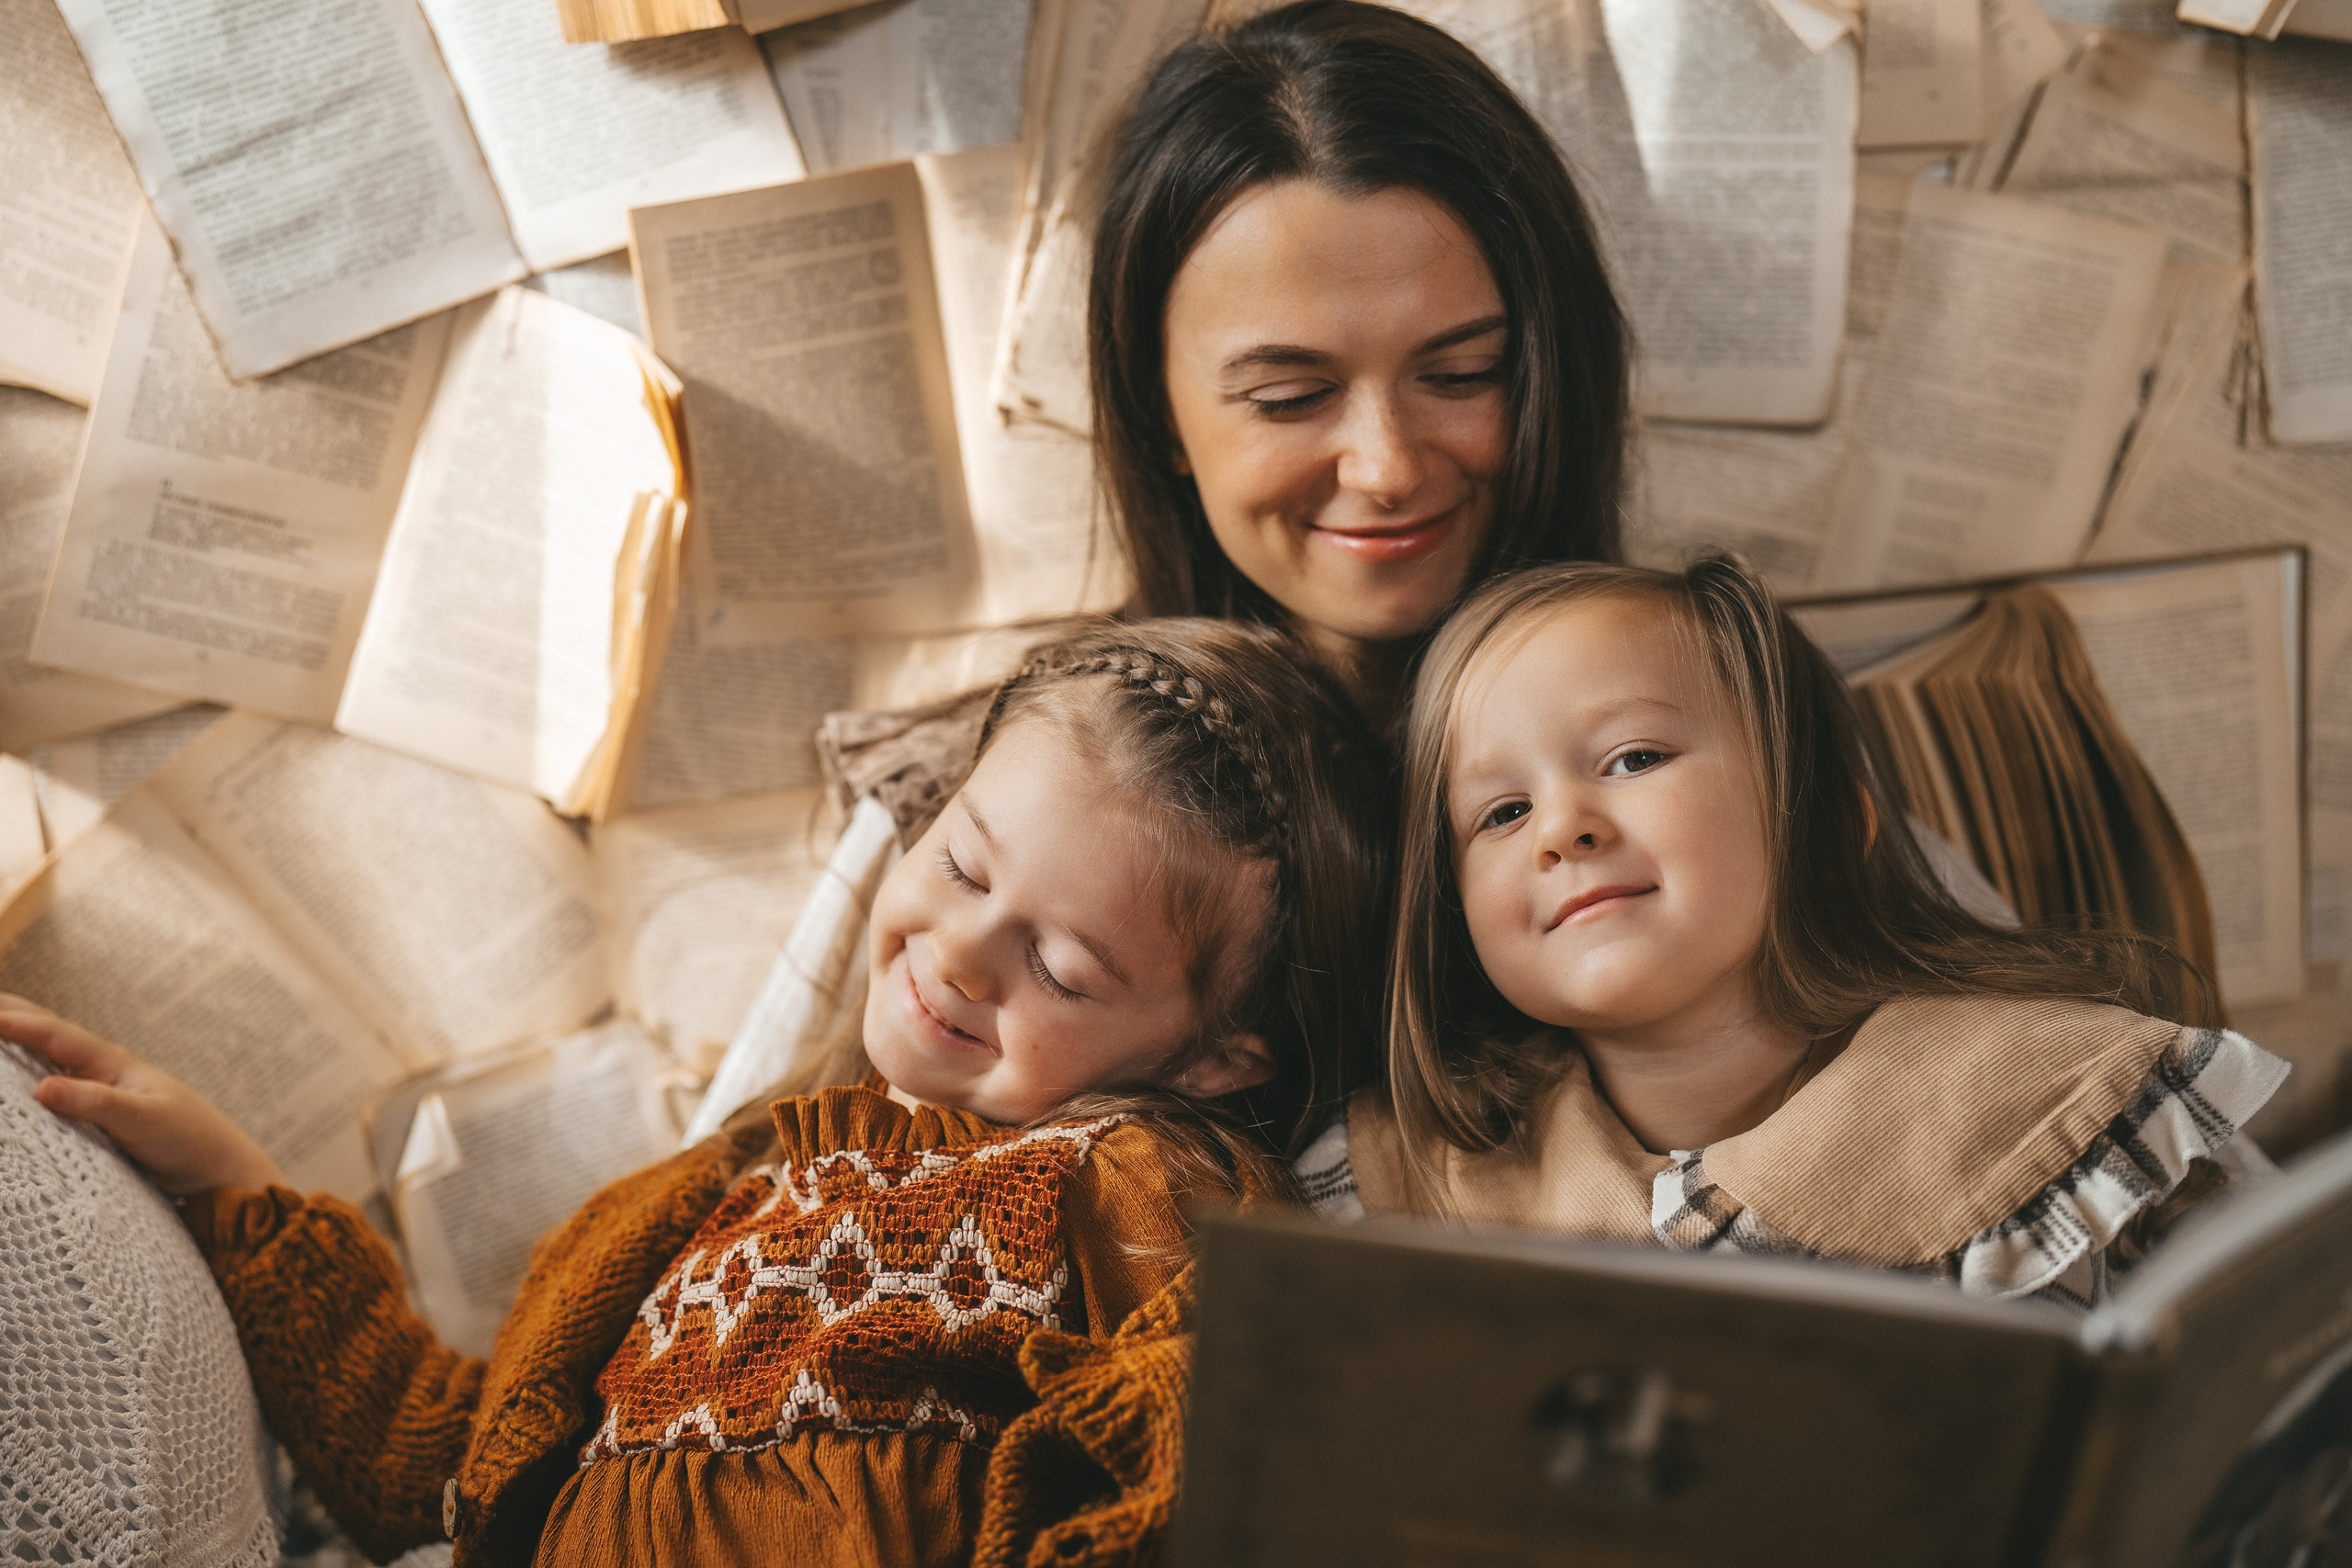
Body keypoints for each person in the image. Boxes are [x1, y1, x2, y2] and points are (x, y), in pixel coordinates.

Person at [16, 617, 1396, 1567]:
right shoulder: (711, 1191)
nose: (962, 953)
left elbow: (1192, 1448)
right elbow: (443, 1469)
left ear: (1219, 1053)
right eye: (965, 866)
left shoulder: (1122, 1179)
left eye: (1062, 963)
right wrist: (238, 1182)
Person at [1327, 558, 2288, 1307]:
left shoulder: (2080, 1105)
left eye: (1632, 757)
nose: (1560, 828)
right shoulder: (1406, 1183)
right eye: (1497, 813)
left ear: (1823, 820)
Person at [1091, 0, 1632, 720]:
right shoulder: (1028, 795)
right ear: (1157, 413)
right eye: (1290, 396)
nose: (1389, 470)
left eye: (1463, 375)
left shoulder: (1741, 742)